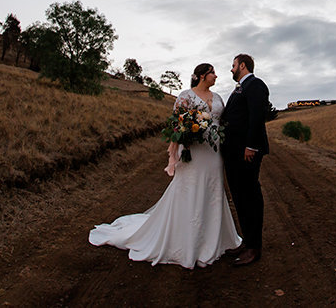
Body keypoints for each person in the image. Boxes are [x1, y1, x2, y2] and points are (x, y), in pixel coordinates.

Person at [88, 63, 241, 268]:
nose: (216, 76)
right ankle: (186, 240)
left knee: (212, 189)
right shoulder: (185, 96)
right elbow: (175, 124)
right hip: (192, 150)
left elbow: (223, 123)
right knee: (190, 188)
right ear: (203, 76)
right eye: (212, 73)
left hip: (214, 152)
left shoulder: (219, 98)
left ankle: (212, 238)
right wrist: (178, 149)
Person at [220, 53, 269, 266]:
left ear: (242, 65)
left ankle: (254, 248)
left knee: (250, 197)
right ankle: (247, 241)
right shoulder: (239, 88)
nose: (231, 70)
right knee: (239, 198)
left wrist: (251, 146)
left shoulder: (256, 85)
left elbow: (257, 117)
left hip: (246, 153)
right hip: (233, 153)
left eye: (233, 66)